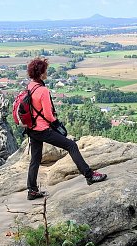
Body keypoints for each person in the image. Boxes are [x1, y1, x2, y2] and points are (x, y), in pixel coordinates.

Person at [25, 57, 107, 200]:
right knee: (71, 145)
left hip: (32, 129)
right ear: (41, 72)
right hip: (42, 129)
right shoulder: (42, 90)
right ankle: (89, 175)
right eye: (46, 70)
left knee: (35, 159)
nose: (47, 73)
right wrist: (57, 124)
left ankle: (32, 190)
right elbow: (48, 115)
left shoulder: (30, 86)